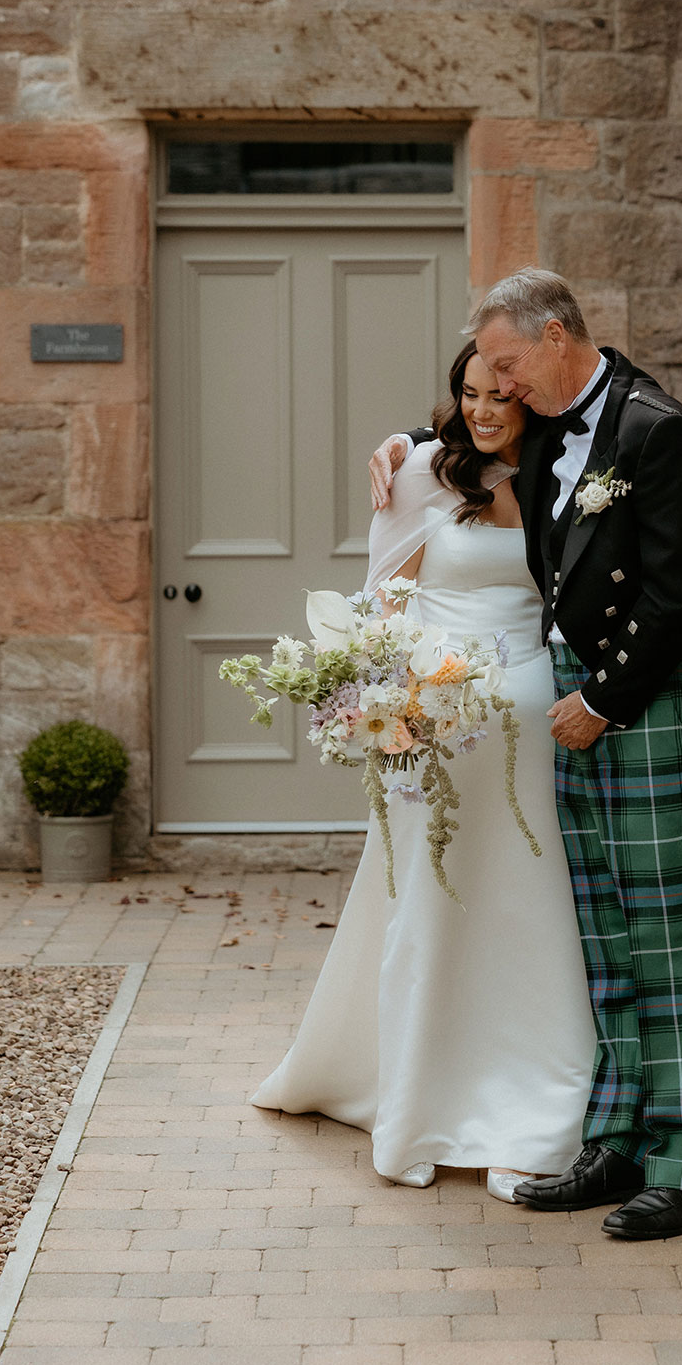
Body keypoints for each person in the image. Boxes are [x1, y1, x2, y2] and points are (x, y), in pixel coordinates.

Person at [370, 267, 682, 1241]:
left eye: (504, 363)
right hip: (576, 699)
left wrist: (604, 700)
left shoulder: (654, 430)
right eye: (485, 368)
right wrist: (403, 445)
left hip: (652, 698)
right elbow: (464, 443)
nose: (496, 381)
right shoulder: (547, 433)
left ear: (555, 336)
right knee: (609, 939)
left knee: (669, 940)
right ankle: (616, 1139)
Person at [252, 342, 596, 1203]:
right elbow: (385, 599)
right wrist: (385, 701)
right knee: (429, 901)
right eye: (469, 395)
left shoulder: (565, 477)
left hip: (530, 727)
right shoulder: (419, 474)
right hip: (431, 725)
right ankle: (413, 1098)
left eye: (500, 396)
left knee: (524, 906)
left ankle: (529, 1090)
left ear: (534, 400)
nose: (482, 412)